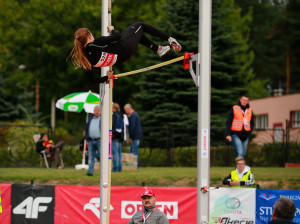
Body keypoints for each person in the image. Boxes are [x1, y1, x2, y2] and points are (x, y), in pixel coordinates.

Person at [68, 22, 182, 72]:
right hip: (124, 46)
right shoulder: (95, 43)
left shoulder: (87, 58)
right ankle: (170, 39)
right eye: (91, 34)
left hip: (125, 56)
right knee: (140, 25)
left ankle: (158, 49)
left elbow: (92, 80)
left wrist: (106, 78)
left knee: (133, 31)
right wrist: (112, 30)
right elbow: (117, 36)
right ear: (88, 35)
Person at [226, 95, 254, 159]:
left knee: (243, 153)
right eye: (243, 100)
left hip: (246, 135)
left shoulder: (250, 110)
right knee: (240, 153)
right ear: (240, 100)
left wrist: (249, 131)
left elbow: (252, 122)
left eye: (246, 100)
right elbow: (229, 122)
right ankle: (240, 169)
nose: (244, 101)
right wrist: (228, 134)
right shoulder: (234, 108)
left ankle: (238, 168)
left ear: (248, 101)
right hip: (236, 134)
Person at [85, 105, 101, 176]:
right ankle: (90, 172)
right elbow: (87, 127)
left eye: (98, 111)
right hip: (91, 140)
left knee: (101, 156)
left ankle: (103, 173)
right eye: (95, 111)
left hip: (99, 141)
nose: (96, 112)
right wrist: (86, 136)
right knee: (91, 157)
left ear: (100, 112)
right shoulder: (90, 118)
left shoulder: (102, 119)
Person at [112, 103, 124, 172]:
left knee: (115, 153)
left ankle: (115, 168)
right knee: (119, 152)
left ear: (114, 108)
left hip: (115, 136)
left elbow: (112, 125)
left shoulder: (114, 115)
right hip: (120, 136)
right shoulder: (121, 114)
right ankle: (120, 168)